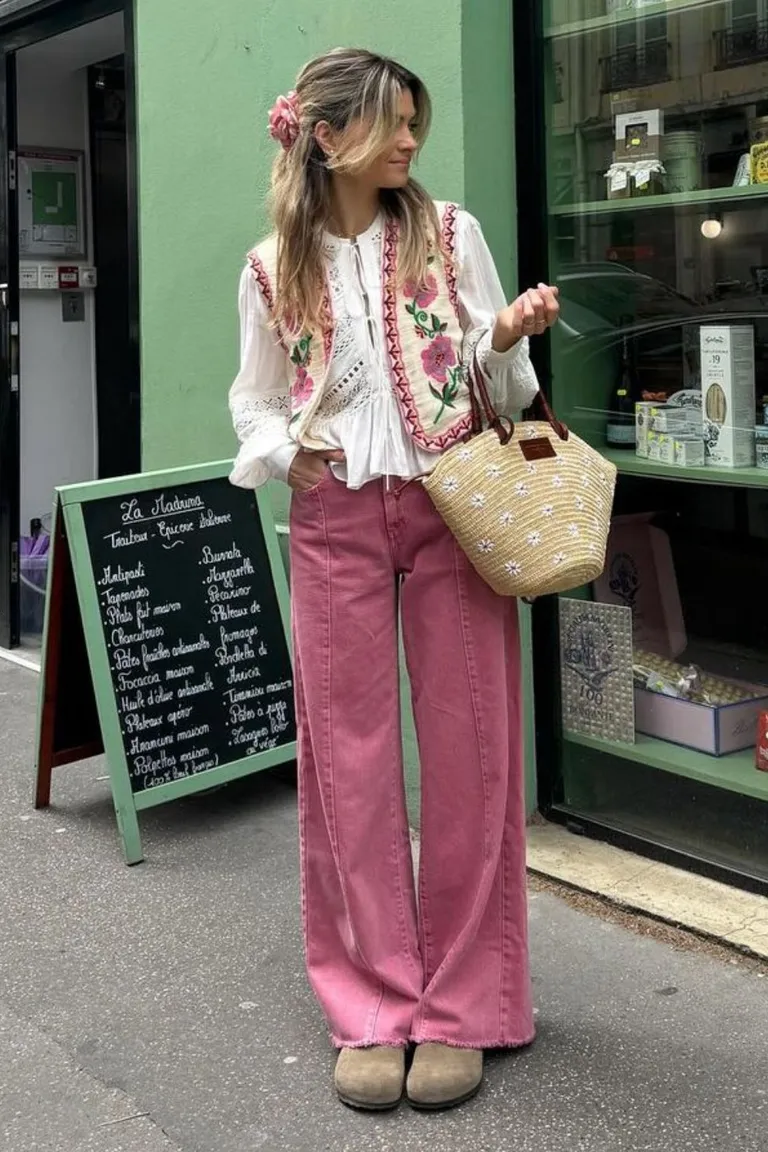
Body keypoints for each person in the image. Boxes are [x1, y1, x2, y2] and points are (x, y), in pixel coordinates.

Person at [229, 47, 559, 1113]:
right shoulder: (270, 267)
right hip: (332, 519)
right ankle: (374, 1004)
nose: (413, 139)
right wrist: (282, 451)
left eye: (417, 120)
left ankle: (464, 1004)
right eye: (394, 122)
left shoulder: (451, 234)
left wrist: (502, 339)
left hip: (452, 505)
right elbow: (254, 398)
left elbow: (505, 387)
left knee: (472, 754)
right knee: (348, 767)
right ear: (327, 136)